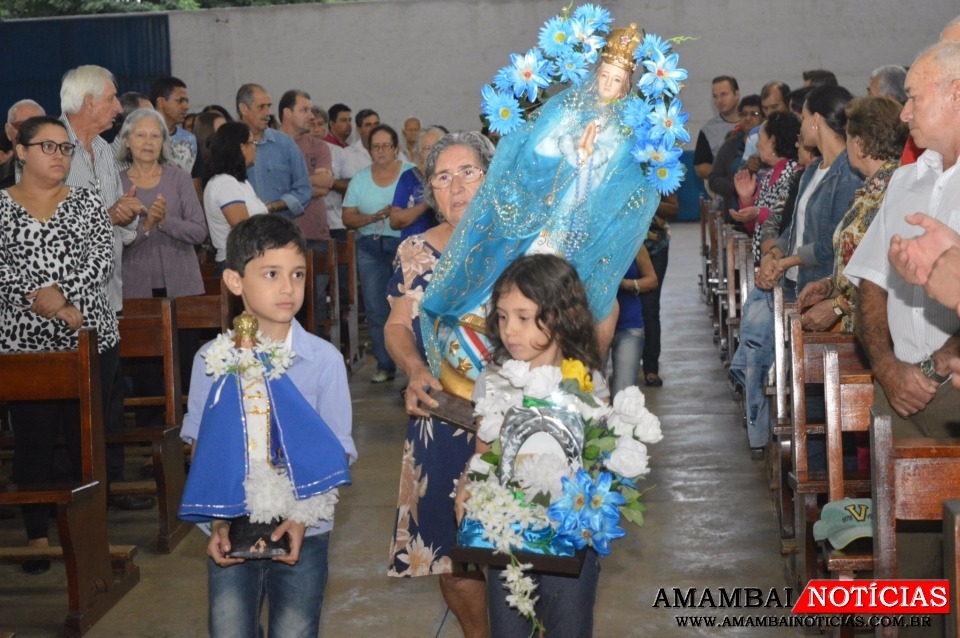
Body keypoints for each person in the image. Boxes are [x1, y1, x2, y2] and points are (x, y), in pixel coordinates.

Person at [422, 25, 663, 388]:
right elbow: (535, 154)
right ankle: (489, 332)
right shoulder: (566, 110)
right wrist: (573, 155)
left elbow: (624, 188)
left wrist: (596, 167)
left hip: (583, 224)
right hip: (545, 212)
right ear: (595, 74)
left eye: (618, 81)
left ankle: (562, 373)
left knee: (580, 302)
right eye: (605, 77)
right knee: (521, 271)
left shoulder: (630, 133)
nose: (610, 86)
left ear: (628, 85)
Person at [179, 214, 356, 638]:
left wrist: (301, 518)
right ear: (235, 281)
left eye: (297, 274)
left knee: (295, 628)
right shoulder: (211, 359)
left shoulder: (323, 360)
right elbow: (201, 447)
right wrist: (218, 523)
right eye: (271, 274)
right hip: (232, 519)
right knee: (229, 627)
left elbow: (339, 450)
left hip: (305, 525)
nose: (288, 287)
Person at [460, 253, 608, 637]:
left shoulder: (587, 383)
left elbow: (599, 463)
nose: (511, 330)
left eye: (524, 318)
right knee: (509, 628)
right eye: (504, 317)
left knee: (569, 626)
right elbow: (482, 452)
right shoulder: (494, 379)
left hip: (569, 536)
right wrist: (469, 490)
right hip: (508, 535)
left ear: (560, 315)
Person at [384, 131, 495, 637]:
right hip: (443, 415)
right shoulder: (415, 252)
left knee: (524, 541)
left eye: (467, 172)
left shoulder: (523, 244)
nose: (456, 187)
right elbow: (397, 325)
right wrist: (413, 368)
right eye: (442, 178)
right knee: (453, 554)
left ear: (492, 178)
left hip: (516, 415)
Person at [0, 116, 119, 574]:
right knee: (32, 441)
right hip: (23, 344)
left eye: (65, 149)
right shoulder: (2, 207)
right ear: (21, 150)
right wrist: (46, 303)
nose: (59, 156)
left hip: (90, 338)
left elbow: (100, 261)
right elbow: (3, 271)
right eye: (48, 147)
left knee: (85, 440)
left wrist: (62, 294)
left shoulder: (87, 201)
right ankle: (37, 537)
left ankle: (88, 534)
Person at [730, 86, 862, 459]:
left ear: (817, 121)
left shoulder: (847, 176)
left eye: (804, 117)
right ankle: (776, 440)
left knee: (819, 396)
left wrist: (785, 262)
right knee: (780, 367)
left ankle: (821, 471)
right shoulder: (810, 173)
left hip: (816, 289)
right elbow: (793, 229)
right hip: (791, 284)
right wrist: (774, 255)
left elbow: (831, 245)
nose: (800, 125)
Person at [60, 64, 152, 511]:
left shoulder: (104, 153)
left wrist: (129, 215)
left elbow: (121, 234)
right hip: (65, 302)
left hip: (106, 296)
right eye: (113, 99)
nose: (120, 107)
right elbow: (51, 225)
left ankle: (108, 489)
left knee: (108, 397)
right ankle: (74, 498)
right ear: (88, 102)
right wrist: (108, 217)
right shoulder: (51, 147)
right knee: (73, 407)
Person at [795, 96, 907, 332]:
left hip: (879, 329)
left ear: (860, 144)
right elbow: (857, 261)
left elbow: (884, 275)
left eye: (847, 137)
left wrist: (836, 307)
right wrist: (830, 285)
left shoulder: (893, 190)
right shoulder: (870, 188)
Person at [342, 123, 414, 383]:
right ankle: (384, 364)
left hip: (404, 247)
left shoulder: (410, 173)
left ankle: (412, 366)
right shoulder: (360, 178)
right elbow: (347, 217)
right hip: (370, 246)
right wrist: (372, 217)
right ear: (369, 150)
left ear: (396, 149)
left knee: (408, 305)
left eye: (386, 145)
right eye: (375, 146)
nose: (381, 150)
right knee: (375, 307)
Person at [117, 107, 207, 300]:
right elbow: (110, 243)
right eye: (140, 135)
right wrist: (146, 226)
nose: (148, 142)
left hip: (184, 288)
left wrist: (165, 221)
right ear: (126, 140)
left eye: (155, 136)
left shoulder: (179, 178)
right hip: (133, 292)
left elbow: (199, 232)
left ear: (163, 142)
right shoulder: (116, 184)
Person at [729, 110, 802, 264]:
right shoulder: (768, 175)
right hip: (764, 260)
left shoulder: (797, 173)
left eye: (760, 138)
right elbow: (752, 228)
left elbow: (792, 218)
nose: (757, 144)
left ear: (773, 141)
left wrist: (758, 213)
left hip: (783, 260)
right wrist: (746, 199)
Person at [236, 83, 312, 219]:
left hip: (281, 231)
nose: (268, 113)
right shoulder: (230, 144)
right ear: (244, 108)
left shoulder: (285, 144)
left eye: (269, 106)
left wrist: (273, 206)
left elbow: (304, 190)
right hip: (243, 232)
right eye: (261, 107)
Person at [203, 122, 268, 274]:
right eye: (252, 143)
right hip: (236, 263)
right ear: (241, 147)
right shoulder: (225, 183)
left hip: (249, 259)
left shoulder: (240, 182)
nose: (255, 147)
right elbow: (243, 229)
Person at [609, 245, 658, 394]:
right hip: (594, 325)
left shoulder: (633, 242)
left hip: (629, 325)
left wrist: (626, 284)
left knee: (623, 393)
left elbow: (652, 280)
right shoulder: (587, 241)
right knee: (591, 392)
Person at [389, 125, 445, 239]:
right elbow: (394, 221)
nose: (432, 152)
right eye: (427, 148)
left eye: (437, 147)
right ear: (419, 153)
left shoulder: (454, 176)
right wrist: (427, 203)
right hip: (415, 247)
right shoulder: (408, 177)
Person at [693, 75, 740, 180]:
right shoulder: (708, 130)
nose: (719, 100)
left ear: (736, 95)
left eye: (724, 94)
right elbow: (701, 168)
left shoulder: (754, 122)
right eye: (715, 96)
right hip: (724, 188)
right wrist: (731, 172)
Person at [150, 76, 196, 171]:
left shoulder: (190, 140)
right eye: (180, 101)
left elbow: (194, 182)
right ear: (161, 102)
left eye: (186, 101)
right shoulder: (143, 138)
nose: (186, 107)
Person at [1, 99, 44, 189]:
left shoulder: (64, 172)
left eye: (36, 125)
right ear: (8, 131)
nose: (29, 132)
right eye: (21, 125)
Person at [190, 110, 227, 205]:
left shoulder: (227, 162)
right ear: (207, 135)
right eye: (222, 130)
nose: (227, 134)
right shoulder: (195, 164)